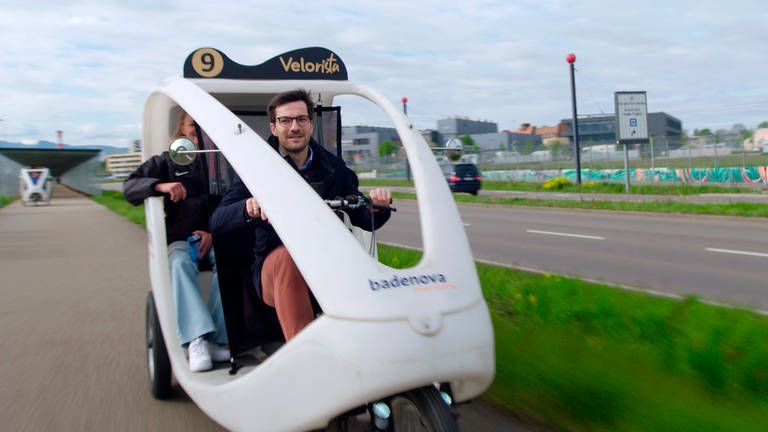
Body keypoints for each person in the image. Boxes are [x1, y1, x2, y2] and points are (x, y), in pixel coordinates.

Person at [211, 89, 392, 341]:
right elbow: (218, 221)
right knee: (289, 259)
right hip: (274, 268)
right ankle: (309, 356)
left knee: (365, 268)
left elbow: (363, 217)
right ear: (273, 128)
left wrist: (378, 207)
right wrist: (248, 207)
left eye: (301, 119)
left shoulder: (332, 166)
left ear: (310, 124)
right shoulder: (257, 167)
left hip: (327, 260)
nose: (294, 127)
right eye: (285, 121)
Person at [124, 110, 229, 372]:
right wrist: (160, 186)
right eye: (194, 125)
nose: (199, 130)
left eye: (204, 125)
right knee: (179, 264)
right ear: (182, 128)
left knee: (230, 262)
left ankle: (220, 339)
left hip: (217, 235)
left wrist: (213, 233)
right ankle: (197, 339)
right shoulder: (167, 162)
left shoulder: (224, 161)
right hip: (181, 239)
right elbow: (130, 186)